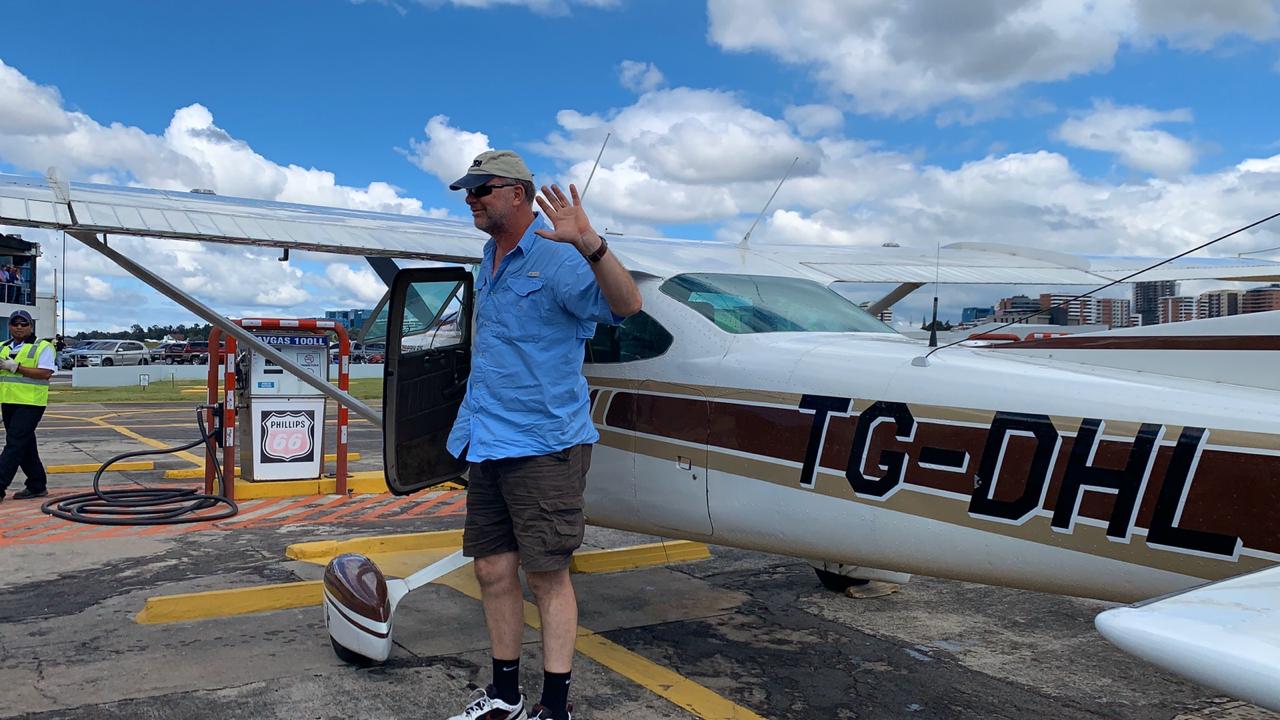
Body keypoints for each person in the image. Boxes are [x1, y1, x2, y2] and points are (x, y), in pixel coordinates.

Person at [444, 150, 641, 720]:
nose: (471, 199)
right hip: (488, 437)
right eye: (468, 190)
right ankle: (506, 693)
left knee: (547, 574)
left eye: (482, 189)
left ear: (518, 192)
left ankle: (556, 706)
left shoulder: (559, 257)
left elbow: (626, 304)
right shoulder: (490, 256)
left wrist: (592, 244)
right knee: (492, 568)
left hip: (544, 443)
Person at [0, 309, 55, 502]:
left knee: (14, 444)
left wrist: (16, 367)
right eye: (15, 323)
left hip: (31, 402)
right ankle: (36, 485)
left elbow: (46, 373)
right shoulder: (2, 347)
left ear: (31, 326)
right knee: (25, 445)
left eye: (24, 324)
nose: (19, 327)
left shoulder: (42, 347)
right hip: (8, 401)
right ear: (10, 326)